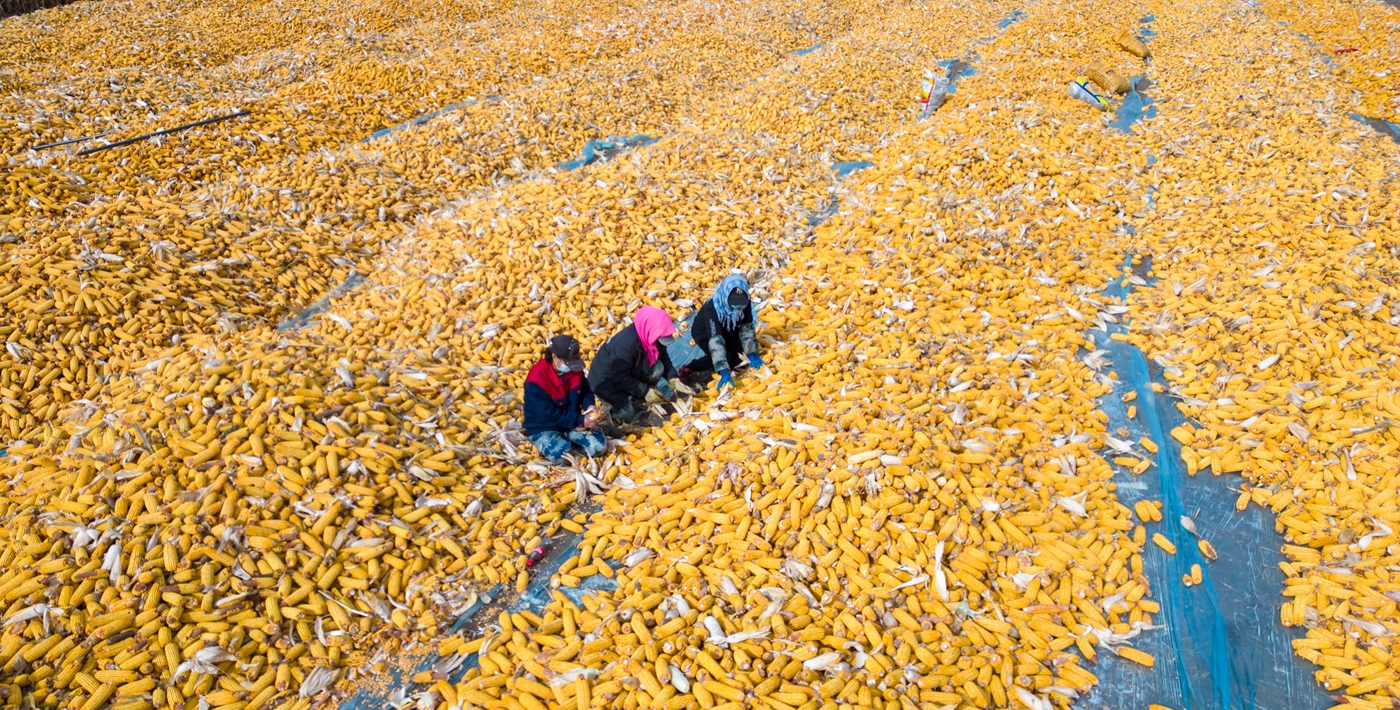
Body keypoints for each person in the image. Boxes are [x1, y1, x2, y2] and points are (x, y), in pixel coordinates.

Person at [523, 335, 606, 462]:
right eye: (568, 363)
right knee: (562, 457)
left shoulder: (574, 369)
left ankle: (569, 438)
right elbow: (547, 414)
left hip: (571, 422)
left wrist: (589, 405)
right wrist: (580, 420)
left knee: (598, 447)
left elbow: (584, 390)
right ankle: (563, 442)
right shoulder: (536, 379)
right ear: (555, 357)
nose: (571, 367)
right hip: (544, 425)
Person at [588, 306, 677, 424]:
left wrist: (672, 377)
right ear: (650, 329)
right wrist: (645, 391)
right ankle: (617, 407)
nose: (660, 340)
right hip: (608, 383)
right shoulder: (625, 345)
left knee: (658, 368)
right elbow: (620, 376)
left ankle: (637, 395)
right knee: (628, 415)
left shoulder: (650, 335)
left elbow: (663, 355)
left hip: (629, 372)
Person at [684, 273, 762, 390]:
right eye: (734, 306)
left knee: (739, 359)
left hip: (729, 330)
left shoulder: (745, 301)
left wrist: (751, 352)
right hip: (705, 332)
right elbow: (715, 340)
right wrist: (723, 369)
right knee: (726, 359)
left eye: (741, 306)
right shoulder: (713, 308)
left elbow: (746, 327)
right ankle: (689, 368)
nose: (738, 310)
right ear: (726, 297)